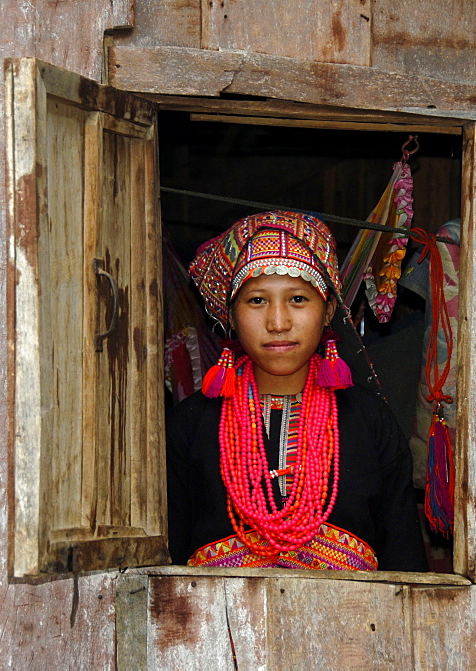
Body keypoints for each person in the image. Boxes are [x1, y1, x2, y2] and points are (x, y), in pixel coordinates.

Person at [167, 210, 428, 572]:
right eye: (257, 300)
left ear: (328, 311)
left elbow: (405, 563)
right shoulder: (192, 422)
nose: (278, 323)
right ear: (230, 315)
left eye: (298, 300)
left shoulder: (369, 419)